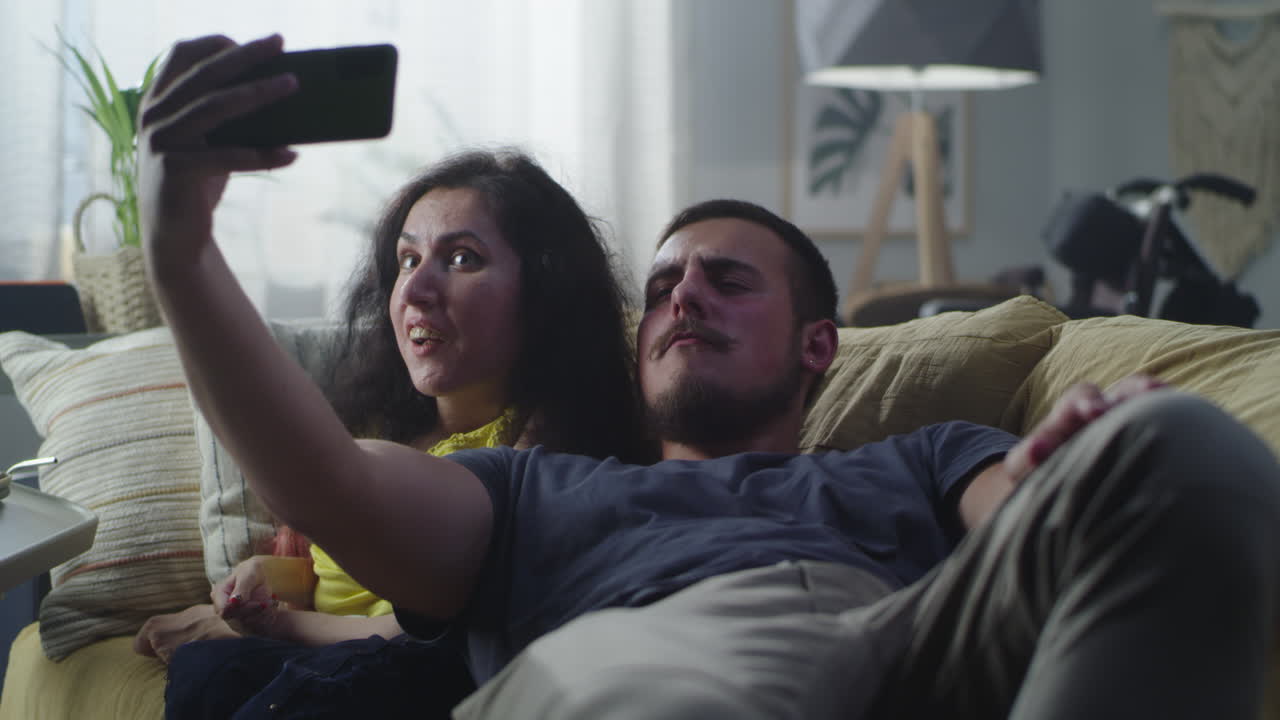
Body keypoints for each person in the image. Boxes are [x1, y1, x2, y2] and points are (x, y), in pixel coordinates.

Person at [139, 34, 1280, 719]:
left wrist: (1073, 462)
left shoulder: (919, 456)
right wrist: (180, 250)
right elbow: (331, 484)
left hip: (922, 632)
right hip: (665, 649)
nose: (683, 297)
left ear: (817, 347)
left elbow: (1024, 512)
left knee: (1180, 447)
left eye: (728, 281)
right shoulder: (532, 489)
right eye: (665, 285)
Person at [132, 46, 651, 716]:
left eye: (462, 259)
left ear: (546, 293)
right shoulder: (385, 424)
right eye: (407, 260)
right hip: (315, 656)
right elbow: (338, 572)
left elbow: (438, 636)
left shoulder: (540, 451)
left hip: (401, 673)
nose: (416, 290)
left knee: (218, 666)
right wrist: (266, 582)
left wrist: (280, 627)